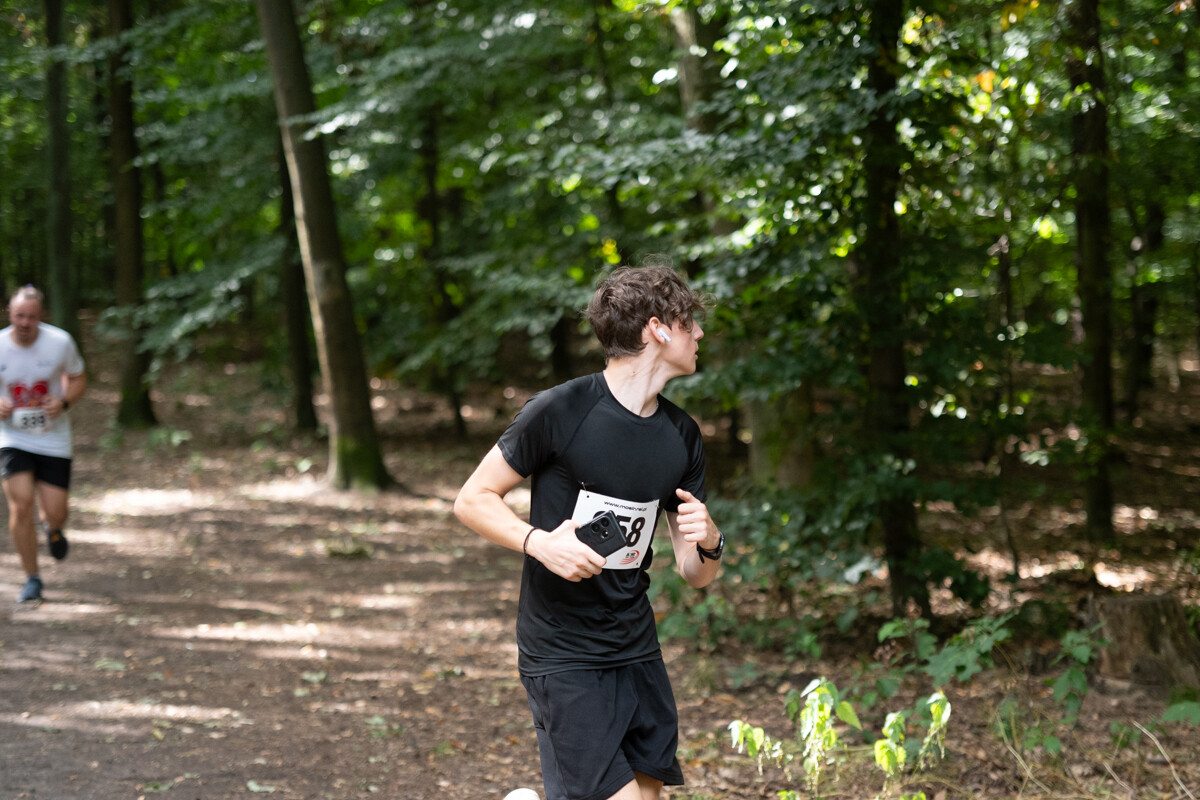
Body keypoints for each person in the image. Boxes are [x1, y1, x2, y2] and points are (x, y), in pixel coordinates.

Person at [454, 265, 725, 800]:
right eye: (689, 321)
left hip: (635, 644)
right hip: (563, 648)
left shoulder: (682, 435)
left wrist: (710, 539)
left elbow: (696, 575)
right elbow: (472, 499)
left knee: (647, 795)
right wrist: (539, 542)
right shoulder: (560, 410)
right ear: (658, 328)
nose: (699, 333)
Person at [0, 286, 87, 604]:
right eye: (20, 315)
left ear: (41, 317)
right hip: (11, 436)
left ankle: (53, 529)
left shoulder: (59, 342)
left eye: (32, 317)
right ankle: (32, 578)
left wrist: (63, 403)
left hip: (52, 437)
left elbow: (78, 377)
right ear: (10, 313)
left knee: (56, 512)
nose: (25, 323)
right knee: (20, 504)